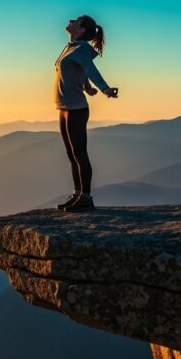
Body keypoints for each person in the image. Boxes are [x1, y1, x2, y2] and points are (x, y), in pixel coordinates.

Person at [53, 14, 118, 212]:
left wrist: (105, 88)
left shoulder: (80, 48)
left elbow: (89, 68)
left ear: (81, 29)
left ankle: (86, 197)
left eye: (75, 20)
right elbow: (76, 70)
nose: (70, 20)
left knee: (80, 153)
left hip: (76, 109)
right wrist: (87, 87)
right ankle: (77, 194)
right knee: (72, 154)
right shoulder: (70, 47)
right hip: (64, 107)